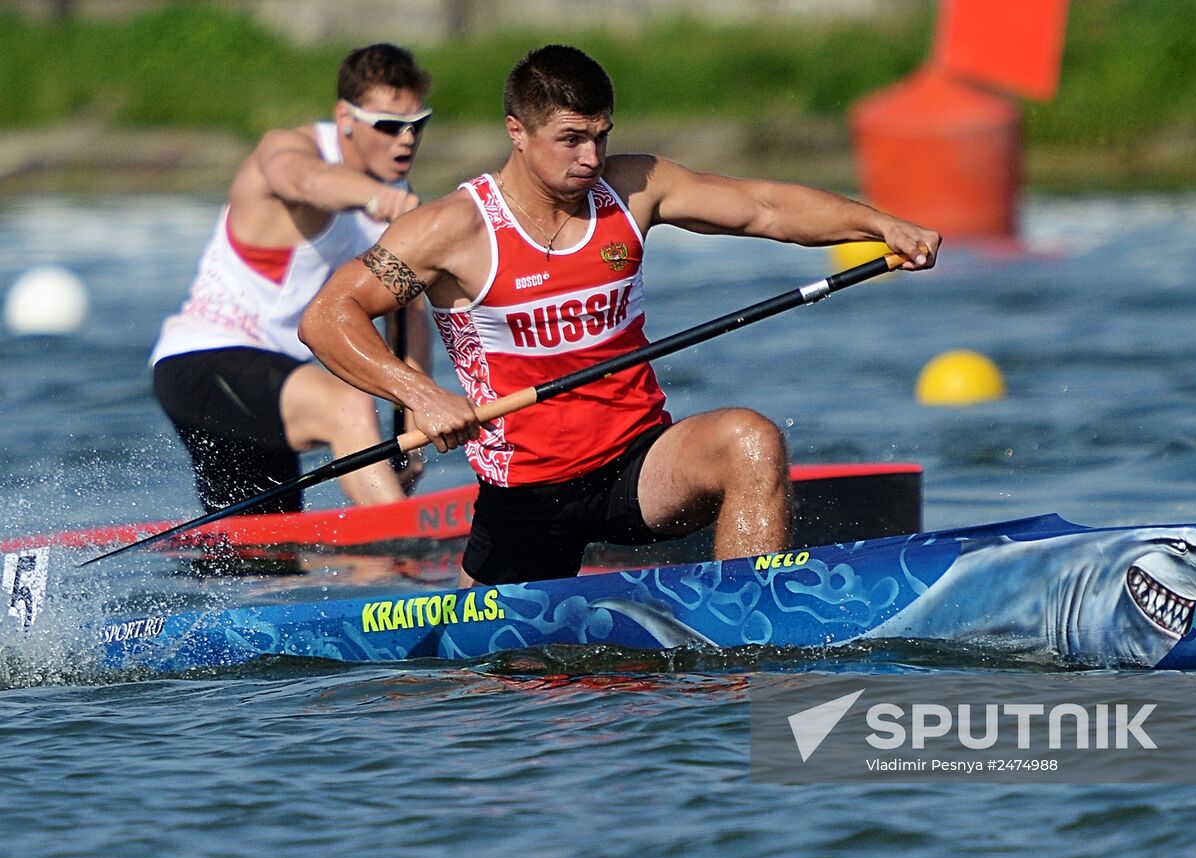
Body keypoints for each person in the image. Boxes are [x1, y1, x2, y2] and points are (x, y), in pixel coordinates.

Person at [300, 44, 940, 585]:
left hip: (638, 463)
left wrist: (878, 223)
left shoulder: (634, 188)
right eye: (571, 139)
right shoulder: (453, 229)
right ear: (516, 132)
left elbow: (761, 207)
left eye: (601, 136)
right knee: (503, 689)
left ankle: (750, 618)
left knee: (751, 440)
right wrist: (421, 394)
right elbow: (328, 316)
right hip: (528, 491)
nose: (590, 158)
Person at [150, 43, 435, 515]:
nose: (405, 139)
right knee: (346, 404)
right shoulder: (288, 150)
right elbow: (304, 182)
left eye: (417, 124)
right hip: (200, 364)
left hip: (278, 383)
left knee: (258, 565)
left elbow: (408, 314)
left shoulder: (397, 195)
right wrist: (376, 199)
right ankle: (404, 545)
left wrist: (411, 426)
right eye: (387, 125)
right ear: (345, 117)